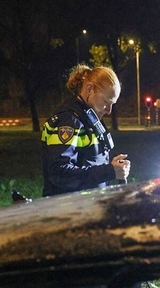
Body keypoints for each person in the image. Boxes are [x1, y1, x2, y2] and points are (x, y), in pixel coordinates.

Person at [41, 64, 130, 196]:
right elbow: (59, 173)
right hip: (69, 210)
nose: (109, 110)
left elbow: (89, 161)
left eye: (112, 104)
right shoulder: (69, 121)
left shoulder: (88, 117)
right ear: (89, 89)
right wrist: (109, 171)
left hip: (87, 206)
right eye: (106, 101)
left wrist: (112, 167)